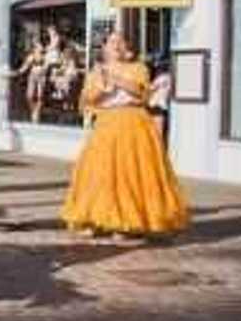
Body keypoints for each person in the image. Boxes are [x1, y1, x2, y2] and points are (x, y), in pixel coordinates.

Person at [61, 32, 187, 240]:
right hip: (107, 124)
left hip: (134, 122)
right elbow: (87, 101)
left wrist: (115, 79)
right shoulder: (96, 71)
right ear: (105, 48)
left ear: (127, 47)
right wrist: (102, 86)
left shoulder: (138, 68)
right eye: (112, 42)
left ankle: (127, 223)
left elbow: (142, 93)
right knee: (100, 173)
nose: (116, 45)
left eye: (120, 41)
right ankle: (95, 218)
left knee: (131, 174)